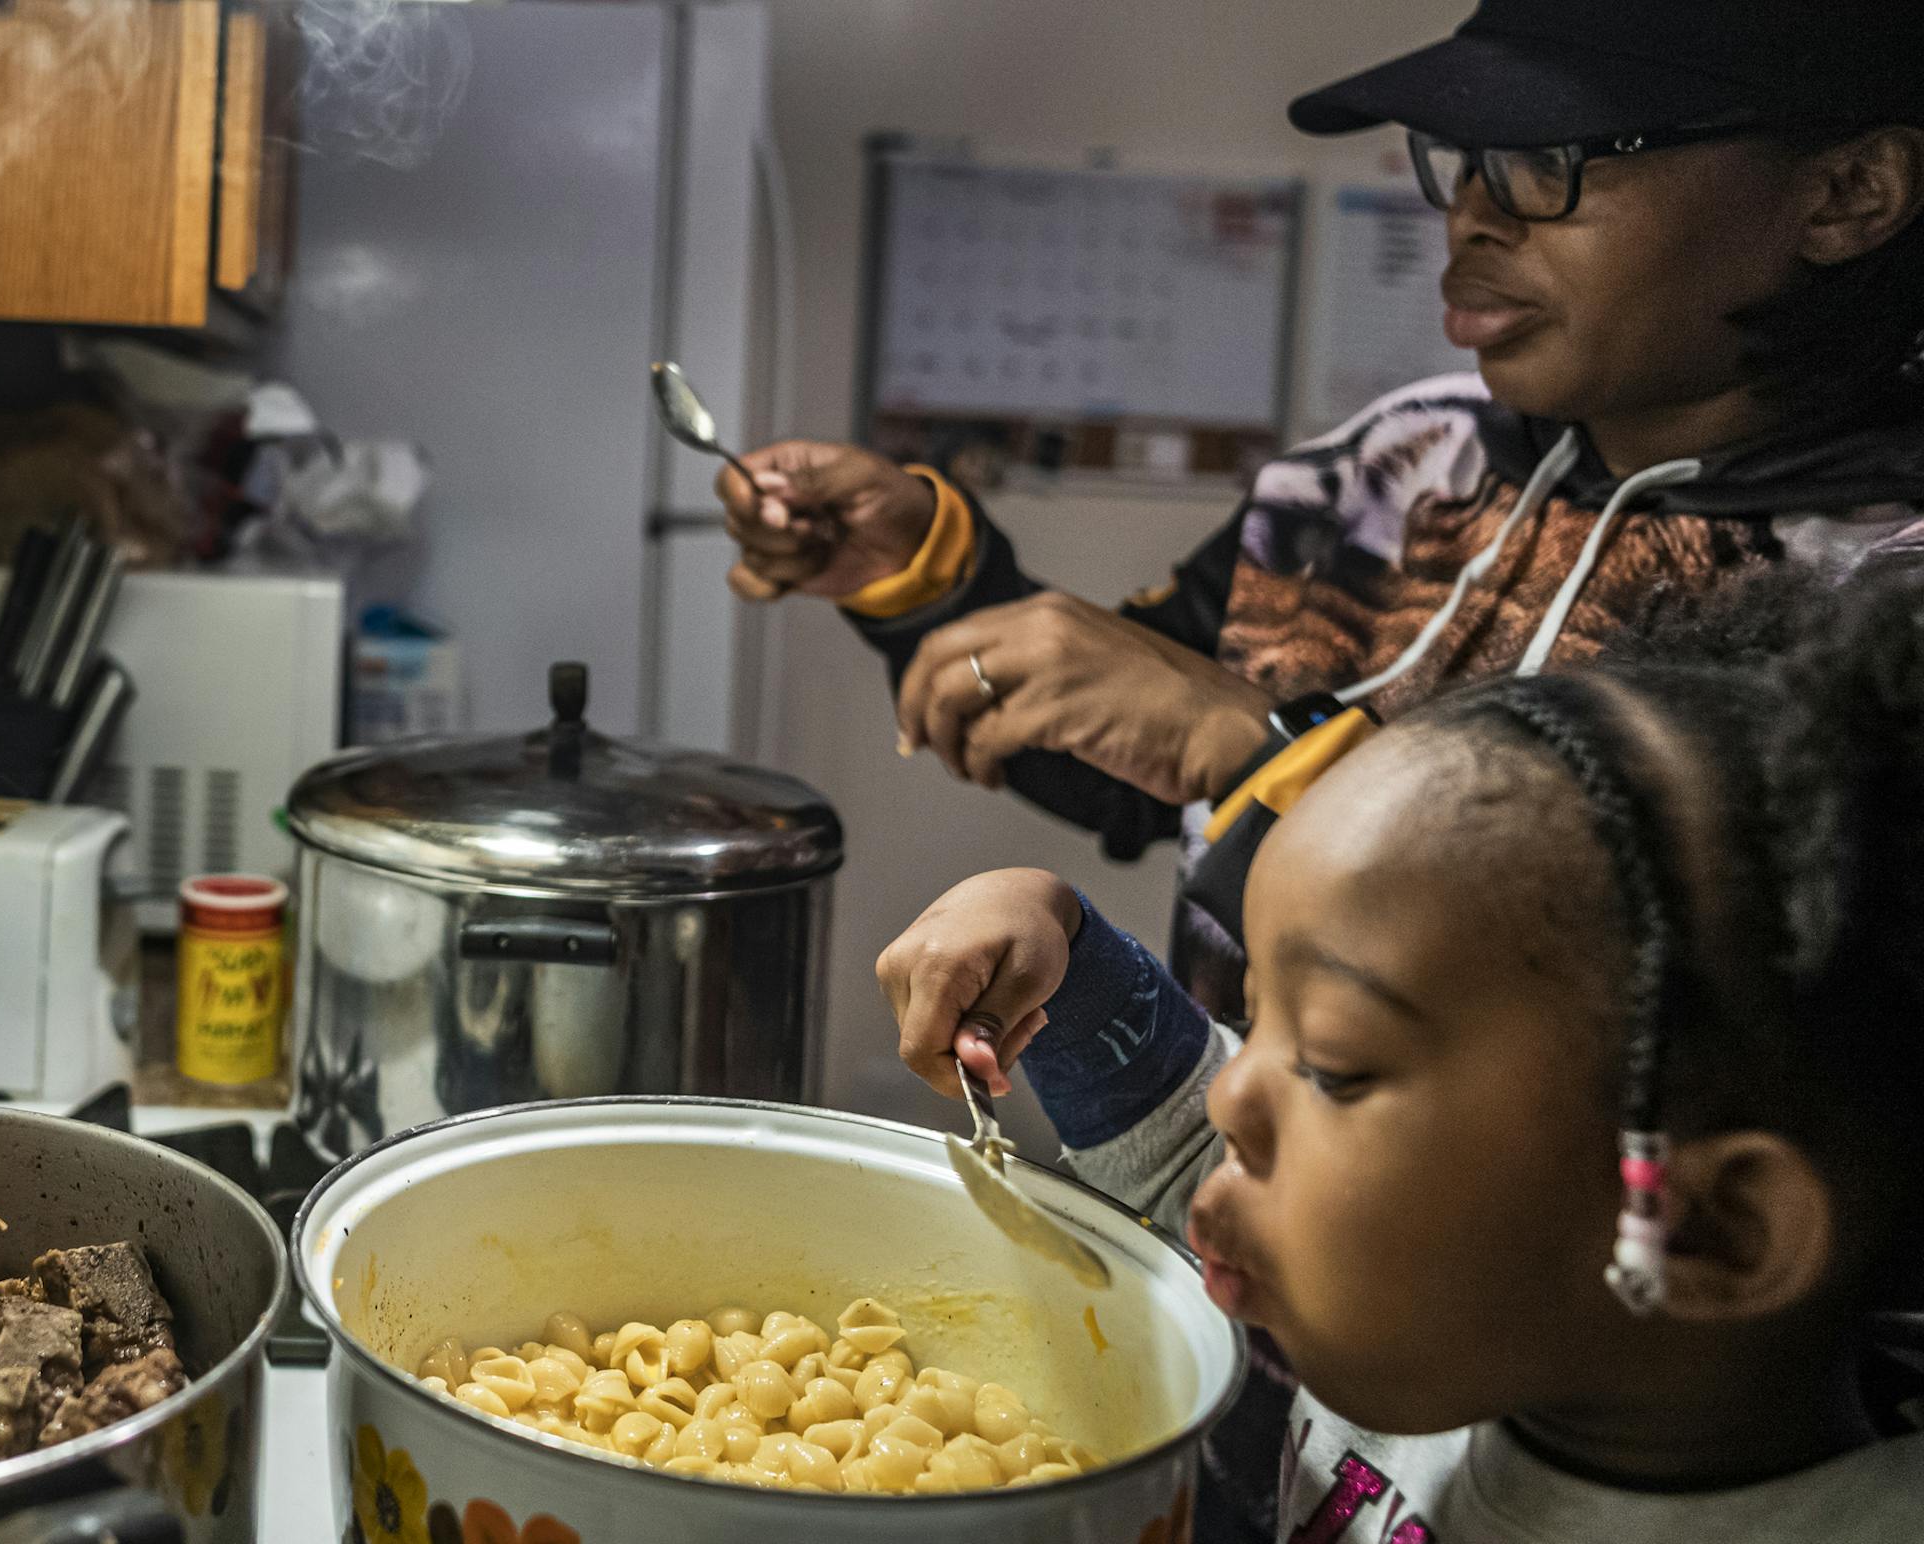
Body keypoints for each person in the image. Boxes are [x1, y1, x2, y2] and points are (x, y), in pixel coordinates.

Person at [722, 0, 1924, 1024]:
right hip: (1227, 1206)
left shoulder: (1885, 592)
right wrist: (930, 577)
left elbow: (1710, 1010)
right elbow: (1144, 749)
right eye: (1461, 158)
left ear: (1848, 194)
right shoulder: (1396, 463)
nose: (1472, 215)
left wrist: (1269, 754)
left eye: (1553, 158)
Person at [875, 565, 1924, 1543]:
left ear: (1711, 1225)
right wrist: (1061, 944)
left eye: (1331, 1065)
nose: (1235, 1088)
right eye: (1259, 1016)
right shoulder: (1461, 1315)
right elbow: (1187, 1145)